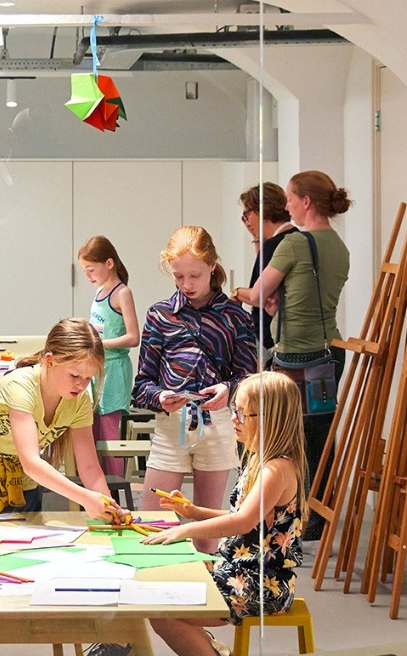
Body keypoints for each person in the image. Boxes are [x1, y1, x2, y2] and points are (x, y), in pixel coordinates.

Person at [142, 371, 308, 656]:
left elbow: (241, 521)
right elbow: (243, 514)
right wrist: (193, 511)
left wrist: (184, 529)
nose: (234, 419)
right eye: (235, 410)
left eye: (243, 414)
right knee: (166, 587)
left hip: (259, 584)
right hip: (239, 571)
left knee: (162, 611)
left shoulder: (275, 469)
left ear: (270, 419)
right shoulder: (261, 460)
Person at [237, 170, 352, 540]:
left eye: (289, 198)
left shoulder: (295, 245)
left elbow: (257, 296)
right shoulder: (339, 246)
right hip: (330, 351)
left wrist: (238, 291)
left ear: (305, 202)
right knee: (321, 439)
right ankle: (317, 519)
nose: (286, 206)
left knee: (283, 438)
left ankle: (283, 514)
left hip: (295, 358)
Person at [132, 226, 256, 553]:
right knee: (152, 522)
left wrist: (228, 390)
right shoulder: (160, 315)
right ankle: (154, 593)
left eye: (195, 275)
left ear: (213, 266)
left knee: (208, 529)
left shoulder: (235, 318)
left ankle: (207, 597)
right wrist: (159, 397)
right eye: (178, 276)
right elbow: (142, 384)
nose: (186, 285)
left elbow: (249, 377)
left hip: (218, 424)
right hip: (172, 426)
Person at [0, 318, 127, 518]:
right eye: (74, 376)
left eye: (89, 378)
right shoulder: (20, 386)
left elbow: (89, 466)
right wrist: (85, 498)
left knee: (27, 541)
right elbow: (30, 461)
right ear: (49, 361)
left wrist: (108, 505)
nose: (81, 385)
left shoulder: (81, 399)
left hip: (20, 472)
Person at [78, 235, 139, 478]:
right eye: (85, 270)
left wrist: (99, 343)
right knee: (91, 429)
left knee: (109, 433)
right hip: (96, 367)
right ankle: (94, 484)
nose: (88, 275)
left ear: (109, 263)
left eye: (91, 269)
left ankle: (113, 488)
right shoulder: (99, 291)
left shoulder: (122, 293)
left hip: (114, 369)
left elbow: (133, 337)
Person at [229, 182, 298, 364]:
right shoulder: (294, 237)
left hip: (270, 338)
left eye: (247, 215)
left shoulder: (275, 245)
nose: (246, 221)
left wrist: (236, 292)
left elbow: (257, 295)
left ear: (259, 211)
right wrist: (257, 238)